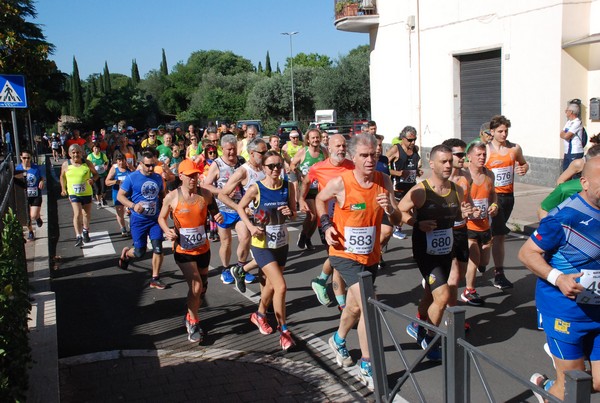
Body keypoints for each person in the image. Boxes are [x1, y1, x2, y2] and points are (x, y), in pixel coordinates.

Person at [317, 134, 401, 387]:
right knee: (366, 305)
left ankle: (339, 340)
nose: (370, 159)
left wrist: (390, 209)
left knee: (354, 306)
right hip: (343, 254)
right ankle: (368, 364)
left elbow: (397, 221)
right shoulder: (341, 183)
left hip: (370, 255)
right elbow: (320, 199)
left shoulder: (383, 180)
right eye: (364, 155)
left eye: (374, 154)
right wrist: (326, 225)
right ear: (353, 158)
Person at [519, 157, 600, 402]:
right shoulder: (564, 216)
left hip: (598, 308)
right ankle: (550, 392)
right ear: (584, 182)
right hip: (565, 312)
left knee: (597, 382)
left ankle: (547, 388)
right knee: (572, 387)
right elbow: (526, 253)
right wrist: (559, 278)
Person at [401, 144, 469, 361]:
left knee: (431, 294)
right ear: (432, 164)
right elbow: (400, 212)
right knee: (443, 294)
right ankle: (430, 338)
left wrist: (466, 213)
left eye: (451, 161)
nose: (449, 165)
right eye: (444, 161)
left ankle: (417, 324)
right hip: (425, 250)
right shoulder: (420, 190)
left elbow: (457, 216)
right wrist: (416, 223)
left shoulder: (457, 190)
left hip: (445, 249)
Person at [231, 151, 297, 351]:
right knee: (281, 286)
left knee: (269, 286)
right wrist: (251, 228)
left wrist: (290, 213)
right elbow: (240, 208)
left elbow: (294, 215)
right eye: (271, 166)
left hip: (281, 243)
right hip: (261, 245)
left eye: (279, 165)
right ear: (264, 168)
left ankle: (259, 315)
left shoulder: (288, 186)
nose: (276, 169)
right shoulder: (256, 188)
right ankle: (284, 331)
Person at [158, 159, 223, 343]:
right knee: (195, 286)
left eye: (196, 175)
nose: (194, 179)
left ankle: (190, 313)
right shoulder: (172, 197)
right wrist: (167, 230)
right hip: (182, 249)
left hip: (203, 248)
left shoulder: (206, 194)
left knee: (202, 289)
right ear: (181, 177)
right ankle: (193, 321)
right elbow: (161, 218)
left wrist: (218, 216)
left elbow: (215, 212)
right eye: (190, 176)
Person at [301, 134, 354, 308]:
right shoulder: (318, 168)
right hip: (327, 221)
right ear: (329, 148)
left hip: (348, 220)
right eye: (338, 146)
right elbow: (307, 181)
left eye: (344, 146)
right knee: (338, 258)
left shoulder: (352, 166)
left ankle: (321, 280)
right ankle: (342, 304)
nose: (341, 149)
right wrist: (302, 199)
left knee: (338, 258)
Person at [485, 115, 529, 289]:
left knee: (497, 236)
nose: (504, 134)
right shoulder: (486, 150)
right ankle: (498, 273)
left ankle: (491, 267)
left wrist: (523, 168)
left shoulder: (514, 148)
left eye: (506, 131)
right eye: (500, 131)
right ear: (492, 132)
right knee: (498, 235)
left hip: (508, 197)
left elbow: (524, 164)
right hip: (491, 198)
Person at [217, 138, 267, 284]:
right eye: (262, 152)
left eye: (266, 151)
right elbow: (222, 194)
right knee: (240, 238)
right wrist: (240, 208)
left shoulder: (267, 167)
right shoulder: (243, 171)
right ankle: (230, 269)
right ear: (252, 153)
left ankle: (240, 268)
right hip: (244, 214)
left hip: (264, 217)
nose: (265, 155)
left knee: (262, 248)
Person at [117, 150, 167, 290]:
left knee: (158, 248)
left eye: (153, 165)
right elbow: (120, 196)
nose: (151, 168)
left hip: (154, 220)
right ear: (140, 163)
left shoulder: (157, 178)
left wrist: (165, 210)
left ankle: (155, 278)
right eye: (148, 165)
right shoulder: (132, 178)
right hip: (138, 220)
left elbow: (163, 196)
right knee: (140, 252)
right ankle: (127, 253)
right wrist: (133, 205)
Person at [202, 134, 247, 283]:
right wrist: (222, 192)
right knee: (226, 242)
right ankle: (226, 269)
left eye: (233, 149)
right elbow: (206, 185)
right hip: (222, 208)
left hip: (239, 207)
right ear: (222, 149)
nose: (231, 153)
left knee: (245, 238)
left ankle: (241, 269)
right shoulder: (217, 164)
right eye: (228, 150)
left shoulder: (241, 161)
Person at [461, 141, 498, 306]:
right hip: (468, 226)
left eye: (484, 154)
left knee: (484, 261)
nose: (482, 157)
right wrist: (468, 210)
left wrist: (494, 205)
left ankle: (478, 271)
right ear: (469, 157)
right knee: (474, 259)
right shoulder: (464, 177)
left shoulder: (490, 175)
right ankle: (469, 290)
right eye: (478, 155)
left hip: (485, 225)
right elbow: (458, 200)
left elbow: (493, 195)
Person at [441, 139, 471, 309]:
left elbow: (469, 200)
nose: (463, 158)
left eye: (464, 154)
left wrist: (472, 210)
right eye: (459, 154)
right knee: (453, 275)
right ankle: (452, 316)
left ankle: (435, 284)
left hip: (462, 230)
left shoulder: (465, 176)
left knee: (461, 274)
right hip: (446, 232)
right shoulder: (442, 182)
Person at [291, 129, 328, 250]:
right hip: (306, 189)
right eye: (313, 138)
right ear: (308, 140)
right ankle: (303, 235)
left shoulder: (324, 152)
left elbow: (329, 165)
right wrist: (299, 173)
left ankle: (307, 238)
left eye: (317, 137)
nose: (316, 140)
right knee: (312, 215)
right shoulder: (303, 152)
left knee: (317, 217)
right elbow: (292, 165)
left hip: (320, 189)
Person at [386, 126, 423, 240]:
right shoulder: (395, 149)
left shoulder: (415, 149)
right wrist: (398, 173)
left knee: (417, 208)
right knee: (401, 209)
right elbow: (381, 167)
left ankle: (416, 229)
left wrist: (417, 171)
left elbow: (413, 166)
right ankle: (395, 229)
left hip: (412, 185)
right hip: (398, 186)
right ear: (402, 138)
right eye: (410, 140)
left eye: (414, 139)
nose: (412, 142)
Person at [60, 144, 99, 247]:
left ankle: (85, 230)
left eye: (78, 152)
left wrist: (92, 180)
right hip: (74, 193)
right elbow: (62, 177)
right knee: (77, 214)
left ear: (81, 153)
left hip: (86, 193)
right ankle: (78, 236)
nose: (76, 155)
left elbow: (96, 174)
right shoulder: (66, 164)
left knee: (86, 214)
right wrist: (63, 189)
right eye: (73, 153)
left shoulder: (87, 163)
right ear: (69, 154)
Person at [17, 149, 45, 241]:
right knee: (27, 216)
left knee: (33, 215)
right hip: (24, 195)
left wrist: (41, 181)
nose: (26, 160)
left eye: (28, 158)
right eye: (24, 158)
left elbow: (41, 177)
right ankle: (30, 232)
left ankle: (37, 218)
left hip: (35, 194)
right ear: (21, 158)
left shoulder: (36, 168)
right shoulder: (18, 169)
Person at [105, 152, 133, 236]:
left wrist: (132, 168)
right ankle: (123, 228)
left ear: (125, 160)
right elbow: (107, 181)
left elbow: (137, 175)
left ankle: (132, 226)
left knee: (131, 211)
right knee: (120, 211)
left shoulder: (129, 168)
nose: (121, 163)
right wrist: (116, 181)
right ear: (116, 161)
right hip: (117, 193)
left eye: (122, 160)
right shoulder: (114, 169)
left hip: (128, 193)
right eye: (119, 161)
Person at [560, 100, 585, 174]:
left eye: (566, 110)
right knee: (566, 172)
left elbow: (567, 136)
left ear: (571, 112)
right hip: (567, 151)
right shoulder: (568, 122)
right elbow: (561, 134)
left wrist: (565, 135)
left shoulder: (577, 122)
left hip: (575, 152)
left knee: (574, 174)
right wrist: (564, 135)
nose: (565, 112)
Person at [87, 142, 109, 208]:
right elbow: (87, 165)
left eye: (98, 148)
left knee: (103, 189)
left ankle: (103, 198)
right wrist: (91, 165)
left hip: (102, 174)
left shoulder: (102, 155)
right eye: (95, 148)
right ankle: (99, 202)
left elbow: (106, 161)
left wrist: (106, 166)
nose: (96, 150)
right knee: (97, 189)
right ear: (93, 149)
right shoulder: (90, 156)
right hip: (94, 175)